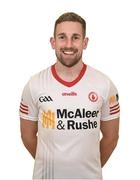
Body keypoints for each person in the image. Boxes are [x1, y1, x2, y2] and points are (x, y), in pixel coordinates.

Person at [19, 12, 120, 180]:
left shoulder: (104, 84)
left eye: (75, 37)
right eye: (62, 37)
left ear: (85, 42)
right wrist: (52, 165)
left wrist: (87, 168)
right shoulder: (34, 84)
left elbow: (111, 138)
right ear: (53, 42)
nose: (68, 44)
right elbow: (27, 136)